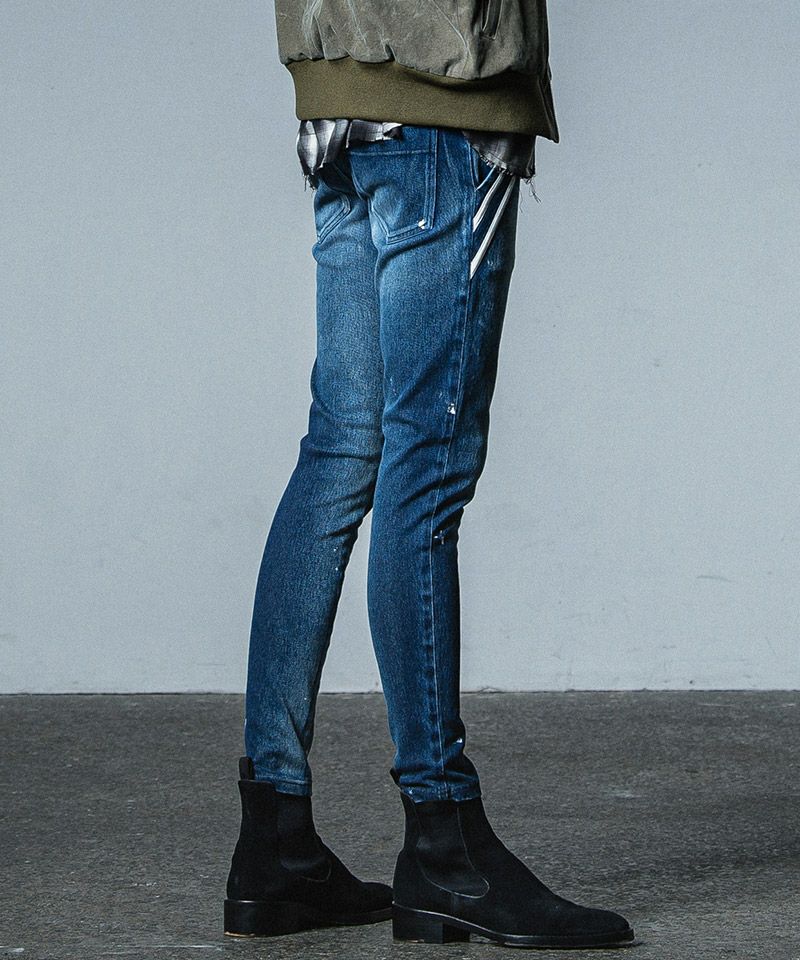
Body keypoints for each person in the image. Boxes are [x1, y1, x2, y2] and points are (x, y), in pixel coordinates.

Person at [224, 0, 635, 949]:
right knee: (426, 468)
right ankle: (444, 844)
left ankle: (272, 840)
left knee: (339, 454)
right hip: (446, 95)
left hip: (340, 104)